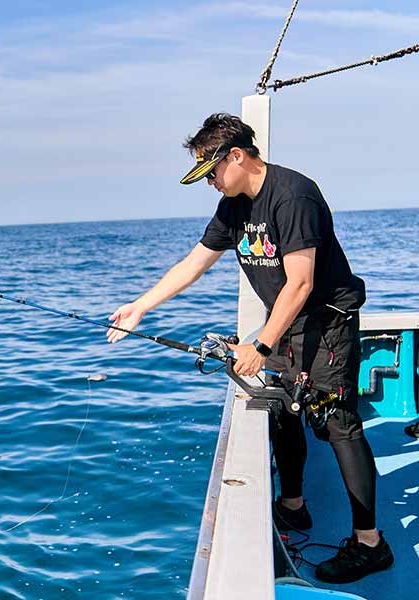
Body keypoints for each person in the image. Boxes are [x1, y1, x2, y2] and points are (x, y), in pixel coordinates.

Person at [107, 113, 394, 583]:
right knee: (283, 409)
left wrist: (260, 342)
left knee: (338, 423)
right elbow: (194, 263)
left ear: (237, 156)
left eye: (212, 172)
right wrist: (141, 305)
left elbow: (300, 284)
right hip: (283, 326)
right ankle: (294, 506)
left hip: (326, 323)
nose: (211, 184)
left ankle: (370, 542)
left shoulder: (294, 195)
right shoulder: (234, 205)